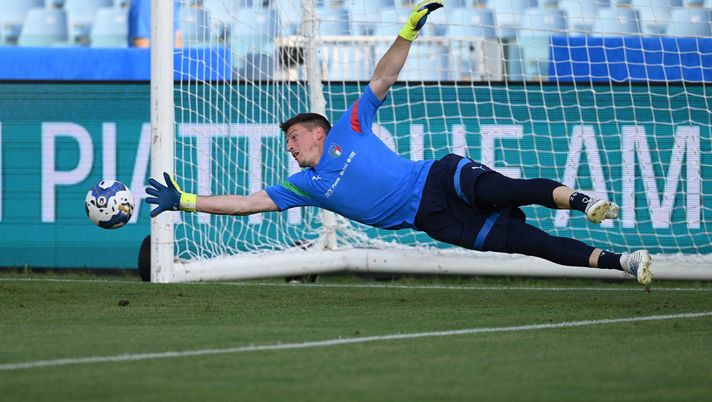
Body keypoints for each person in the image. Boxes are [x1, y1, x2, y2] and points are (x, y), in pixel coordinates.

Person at [145, 0, 653, 286]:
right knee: (532, 244)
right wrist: (186, 201)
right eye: (288, 144)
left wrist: (408, 29)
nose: (291, 148)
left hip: (436, 175)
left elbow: (382, 77)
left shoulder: (349, 126)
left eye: (294, 137)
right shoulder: (305, 185)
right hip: (433, 220)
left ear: (318, 131)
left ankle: (583, 201)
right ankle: (621, 262)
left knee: (507, 191)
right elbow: (248, 203)